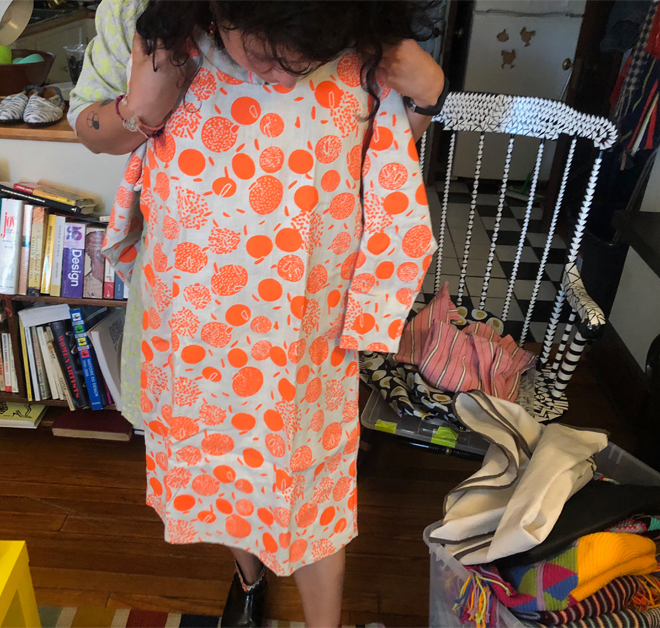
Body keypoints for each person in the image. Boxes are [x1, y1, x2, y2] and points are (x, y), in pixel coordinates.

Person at [68, 2, 445, 627]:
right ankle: (248, 578)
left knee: (314, 483)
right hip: (192, 313)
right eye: (266, 54)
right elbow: (88, 130)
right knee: (216, 455)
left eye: (304, 63)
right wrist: (141, 108)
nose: (279, 80)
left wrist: (427, 96)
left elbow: (380, 149)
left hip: (307, 327)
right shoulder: (138, 15)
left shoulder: (358, 26)